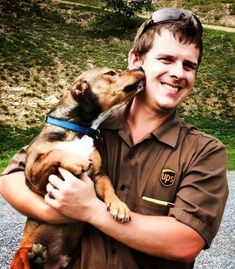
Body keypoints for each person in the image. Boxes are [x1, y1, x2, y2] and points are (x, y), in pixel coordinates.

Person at [0, 7, 229, 269]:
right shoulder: (87, 126)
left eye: (189, 65)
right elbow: (10, 179)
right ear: (135, 60)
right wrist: (59, 212)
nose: (178, 73)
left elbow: (186, 243)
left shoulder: (205, 151)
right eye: (166, 59)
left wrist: (90, 210)